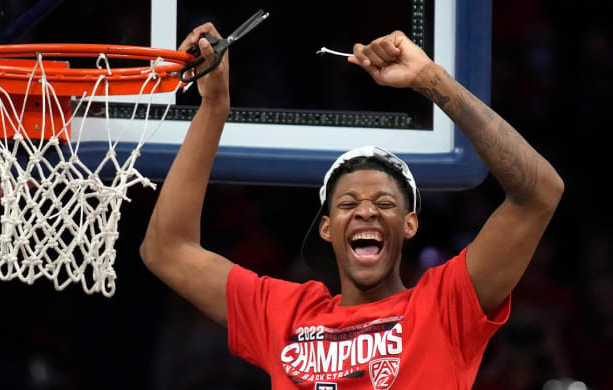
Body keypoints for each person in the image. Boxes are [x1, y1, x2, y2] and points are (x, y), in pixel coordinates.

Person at [140, 23, 564, 389]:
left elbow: (540, 192)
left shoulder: (444, 307)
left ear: (410, 224)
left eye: (384, 202)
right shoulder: (287, 316)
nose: (366, 211)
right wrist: (214, 106)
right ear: (326, 227)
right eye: (348, 203)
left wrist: (433, 79)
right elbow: (168, 249)